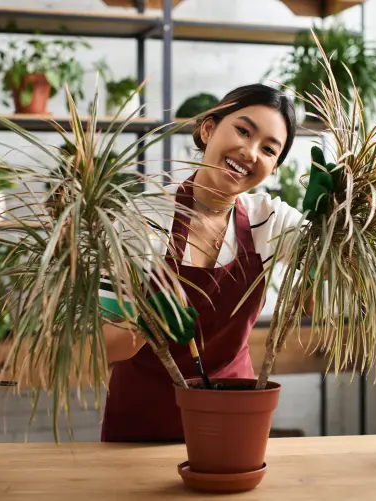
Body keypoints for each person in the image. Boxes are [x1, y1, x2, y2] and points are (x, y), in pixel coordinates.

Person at [100, 83, 302, 442]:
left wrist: (342, 212)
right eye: (243, 130)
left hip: (234, 420)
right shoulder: (144, 217)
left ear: (272, 167)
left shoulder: (269, 220)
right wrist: (146, 323)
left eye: (269, 149)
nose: (250, 152)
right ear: (208, 129)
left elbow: (339, 259)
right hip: (143, 424)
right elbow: (103, 343)